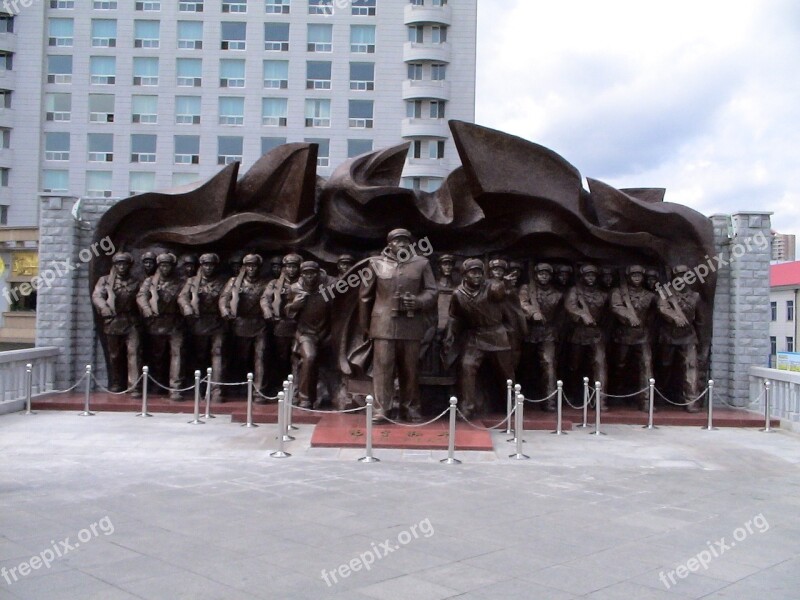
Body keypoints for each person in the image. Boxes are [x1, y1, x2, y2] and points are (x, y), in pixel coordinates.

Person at [359, 228, 438, 422]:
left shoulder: (421, 263)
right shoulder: (376, 264)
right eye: (397, 240)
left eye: (405, 240)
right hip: (383, 325)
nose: (401, 243)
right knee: (383, 370)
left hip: (411, 326)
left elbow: (432, 292)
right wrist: (365, 326)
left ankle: (409, 407)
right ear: (389, 244)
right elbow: (364, 297)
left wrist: (419, 301)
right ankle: (382, 409)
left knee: (410, 370)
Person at [446, 259, 515, 418]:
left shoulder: (490, 287)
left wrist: (504, 283)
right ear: (464, 275)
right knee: (467, 366)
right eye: (473, 272)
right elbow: (454, 316)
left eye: (479, 272)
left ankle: (512, 404)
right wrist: (450, 334)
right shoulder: (458, 294)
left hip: (496, 335)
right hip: (475, 336)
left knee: (506, 372)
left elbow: (499, 291)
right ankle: (467, 406)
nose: (477, 275)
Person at [179, 253, 227, 402]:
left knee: (217, 354)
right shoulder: (193, 282)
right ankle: (198, 388)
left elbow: (226, 297)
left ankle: (216, 390)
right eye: (206, 265)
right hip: (199, 323)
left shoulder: (221, 282)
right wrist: (187, 308)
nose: (208, 268)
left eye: (211, 265)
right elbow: (183, 296)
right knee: (200, 357)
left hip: (216, 322)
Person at [92, 252, 142, 394]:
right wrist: (104, 307)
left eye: (124, 264)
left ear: (129, 265)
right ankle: (116, 382)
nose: (121, 267)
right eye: (119, 264)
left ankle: (134, 386)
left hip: (131, 322)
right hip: (113, 321)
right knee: (115, 355)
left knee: (134, 353)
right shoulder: (106, 281)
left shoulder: (135, 281)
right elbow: (97, 296)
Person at [136, 253, 185, 399]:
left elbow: (184, 297)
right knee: (158, 356)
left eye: (168, 265)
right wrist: (146, 308)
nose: (165, 268)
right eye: (162, 265)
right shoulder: (150, 281)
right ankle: (158, 385)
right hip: (156, 323)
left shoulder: (180, 282)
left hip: (174, 323)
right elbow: (141, 296)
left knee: (178, 354)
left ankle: (175, 387)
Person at [285, 261, 332, 408]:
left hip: (325, 332)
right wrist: (295, 305)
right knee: (310, 357)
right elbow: (287, 313)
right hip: (306, 334)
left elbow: (336, 311)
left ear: (318, 274)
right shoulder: (294, 289)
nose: (309, 277)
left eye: (312, 273)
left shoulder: (326, 290)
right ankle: (304, 398)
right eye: (306, 273)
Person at [220, 254, 269, 394]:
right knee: (242, 357)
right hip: (241, 324)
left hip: (259, 325)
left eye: (254, 266)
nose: (251, 269)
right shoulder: (234, 282)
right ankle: (239, 385)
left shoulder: (265, 283)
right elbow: (224, 298)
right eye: (248, 266)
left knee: (261, 356)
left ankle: (259, 390)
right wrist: (225, 310)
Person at [609, 265, 656, 410]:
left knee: (646, 365)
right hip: (624, 335)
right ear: (629, 277)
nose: (637, 278)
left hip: (642, 335)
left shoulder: (649, 295)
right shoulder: (618, 292)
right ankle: (616, 392)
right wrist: (629, 316)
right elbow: (616, 306)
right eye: (634, 276)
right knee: (620, 365)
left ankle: (647, 400)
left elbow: (656, 310)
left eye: (639, 276)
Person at [656, 265, 702, 412]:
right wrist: (674, 317)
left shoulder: (695, 296)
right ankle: (661, 393)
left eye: (685, 276)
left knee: (691, 366)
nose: (682, 279)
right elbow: (662, 308)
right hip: (669, 335)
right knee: (665, 366)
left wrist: (700, 338)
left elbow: (700, 320)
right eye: (679, 276)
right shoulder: (665, 293)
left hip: (688, 336)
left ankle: (691, 401)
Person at [519, 263, 563, 411]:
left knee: (549, 364)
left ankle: (550, 401)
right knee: (524, 365)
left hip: (547, 333)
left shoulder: (557, 294)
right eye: (541, 273)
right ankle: (518, 397)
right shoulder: (527, 289)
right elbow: (522, 303)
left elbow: (560, 316)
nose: (544, 276)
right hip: (529, 332)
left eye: (547, 274)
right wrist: (532, 312)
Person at [565, 264, 609, 408]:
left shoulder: (602, 294)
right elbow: (570, 306)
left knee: (599, 363)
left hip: (596, 334)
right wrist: (582, 315)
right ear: (582, 277)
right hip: (578, 333)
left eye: (593, 276)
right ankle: (571, 392)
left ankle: (600, 399)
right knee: (574, 365)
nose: (590, 278)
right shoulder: (575, 291)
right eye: (588, 275)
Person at [262, 253, 303, 388]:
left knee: (296, 356)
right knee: (281, 356)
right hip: (281, 324)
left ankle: (296, 387)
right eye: (289, 267)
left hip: (299, 325)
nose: (291, 270)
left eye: (294, 267)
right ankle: (280, 382)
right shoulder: (274, 284)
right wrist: (267, 310)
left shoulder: (304, 283)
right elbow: (265, 298)